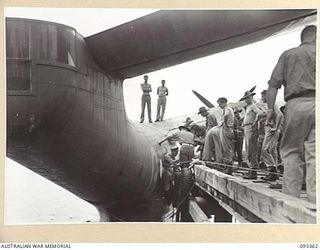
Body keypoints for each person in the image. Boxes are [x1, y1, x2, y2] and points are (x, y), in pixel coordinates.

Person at [266, 25, 316, 203]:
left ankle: (290, 201)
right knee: (315, 154)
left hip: (296, 104)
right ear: (316, 37)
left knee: (292, 152)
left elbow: (273, 85)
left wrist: (270, 110)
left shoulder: (288, 54)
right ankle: (315, 202)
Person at [240, 91, 265, 179]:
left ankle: (253, 171)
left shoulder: (253, 106)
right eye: (245, 98)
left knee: (251, 149)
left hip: (251, 128)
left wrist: (255, 122)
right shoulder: (248, 107)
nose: (247, 99)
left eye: (248, 98)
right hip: (247, 128)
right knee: (248, 149)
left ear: (251, 97)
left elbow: (261, 113)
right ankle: (251, 169)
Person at [201, 98, 225, 163]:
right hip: (215, 132)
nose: (201, 115)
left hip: (213, 132)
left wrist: (206, 137)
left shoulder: (210, 116)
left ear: (204, 112)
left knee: (216, 147)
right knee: (216, 147)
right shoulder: (210, 116)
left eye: (201, 113)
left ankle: (217, 161)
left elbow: (210, 127)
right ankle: (217, 160)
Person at [218, 97, 234, 174]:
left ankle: (229, 167)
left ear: (223, 102)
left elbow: (226, 115)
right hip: (229, 128)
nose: (219, 105)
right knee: (228, 148)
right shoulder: (230, 109)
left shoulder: (226, 109)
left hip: (226, 128)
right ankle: (228, 166)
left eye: (220, 103)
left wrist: (224, 123)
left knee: (226, 148)